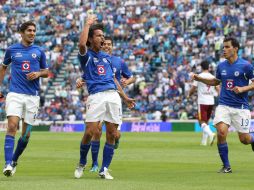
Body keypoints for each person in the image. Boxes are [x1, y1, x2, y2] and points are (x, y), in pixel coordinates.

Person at [74, 15, 135, 180]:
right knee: (90, 131)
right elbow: (81, 44)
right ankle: (81, 162)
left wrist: (125, 97)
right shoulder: (86, 57)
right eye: (99, 35)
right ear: (91, 39)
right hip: (96, 96)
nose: (102, 38)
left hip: (113, 96)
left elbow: (114, 79)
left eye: (103, 35)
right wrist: (87, 24)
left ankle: (104, 169)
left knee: (113, 133)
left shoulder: (108, 58)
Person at [192, 37, 254, 173]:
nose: (224, 50)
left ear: (235, 49)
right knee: (221, 132)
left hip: (241, 108)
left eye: (227, 47)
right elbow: (216, 82)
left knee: (245, 139)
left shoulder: (246, 66)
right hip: (224, 105)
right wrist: (200, 78)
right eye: (223, 47)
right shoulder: (221, 66)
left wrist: (243, 89)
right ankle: (226, 166)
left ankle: (252, 139)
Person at [0, 21, 49, 177]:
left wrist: (38, 74)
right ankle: (7, 164)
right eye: (29, 30)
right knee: (12, 126)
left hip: (32, 98)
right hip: (15, 94)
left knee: (26, 134)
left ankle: (14, 160)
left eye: (34, 30)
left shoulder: (39, 51)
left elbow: (46, 71)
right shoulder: (11, 50)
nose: (32, 33)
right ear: (21, 33)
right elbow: (3, 67)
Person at [188, 60, 218, 146]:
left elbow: (193, 88)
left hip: (202, 101)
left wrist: (188, 95)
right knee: (206, 122)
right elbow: (218, 88)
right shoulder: (213, 77)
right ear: (208, 67)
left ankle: (211, 134)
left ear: (201, 67)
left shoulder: (199, 76)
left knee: (201, 122)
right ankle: (204, 142)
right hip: (211, 101)